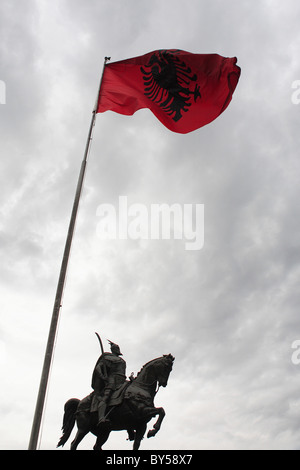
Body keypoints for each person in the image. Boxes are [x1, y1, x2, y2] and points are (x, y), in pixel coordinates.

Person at [91, 340, 126, 426]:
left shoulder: (121, 360)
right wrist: (103, 376)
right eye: (116, 348)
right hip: (112, 380)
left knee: (128, 397)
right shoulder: (107, 358)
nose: (118, 350)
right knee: (106, 396)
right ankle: (101, 417)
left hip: (123, 380)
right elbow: (98, 368)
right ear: (113, 350)